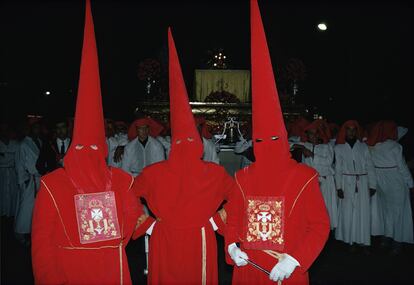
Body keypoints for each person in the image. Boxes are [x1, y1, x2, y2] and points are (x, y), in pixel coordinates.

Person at [31, 2, 150, 283]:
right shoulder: (53, 185)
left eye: (93, 148)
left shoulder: (120, 181)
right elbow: (42, 242)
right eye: (85, 148)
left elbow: (134, 215)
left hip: (111, 270)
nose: (88, 154)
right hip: (69, 272)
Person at [225, 1, 330, 284]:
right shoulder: (242, 177)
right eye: (260, 140)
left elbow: (319, 226)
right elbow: (233, 219)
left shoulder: (305, 177)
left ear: (283, 140)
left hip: (286, 269)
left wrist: (296, 259)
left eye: (273, 139)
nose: (266, 145)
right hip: (247, 269)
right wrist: (232, 246)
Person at [131, 29, 241, 284]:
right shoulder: (214, 173)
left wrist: (147, 224)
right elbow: (239, 197)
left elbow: (126, 194)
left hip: (163, 236)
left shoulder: (152, 173)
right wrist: (216, 222)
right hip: (200, 236)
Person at [367, 120, 413, 254]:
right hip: (395, 181)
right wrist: (411, 184)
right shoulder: (395, 146)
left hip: (381, 182)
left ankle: (386, 238)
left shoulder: (372, 146)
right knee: (398, 212)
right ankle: (397, 241)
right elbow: (403, 168)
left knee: (386, 211)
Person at [334, 120, 377, 251]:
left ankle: (363, 241)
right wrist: (339, 187)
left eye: (353, 130)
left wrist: (372, 184)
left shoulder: (363, 147)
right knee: (348, 212)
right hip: (347, 182)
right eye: (349, 129)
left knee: (362, 212)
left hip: (363, 182)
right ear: (345, 131)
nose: (351, 132)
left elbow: (370, 166)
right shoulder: (339, 148)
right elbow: (338, 168)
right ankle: (350, 240)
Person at [296, 119, 338, 230]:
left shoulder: (327, 147)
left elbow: (328, 162)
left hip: (325, 182)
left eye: (315, 133)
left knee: (325, 207)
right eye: (311, 134)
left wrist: (312, 154)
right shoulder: (306, 146)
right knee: (312, 208)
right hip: (311, 183)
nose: (313, 136)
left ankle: (326, 231)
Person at [0, 122, 19, 217]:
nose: (4, 132)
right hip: (2, 173)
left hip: (12, 173)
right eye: (2, 130)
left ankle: (10, 215)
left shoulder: (15, 144)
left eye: (6, 130)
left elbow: (17, 159)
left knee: (12, 194)